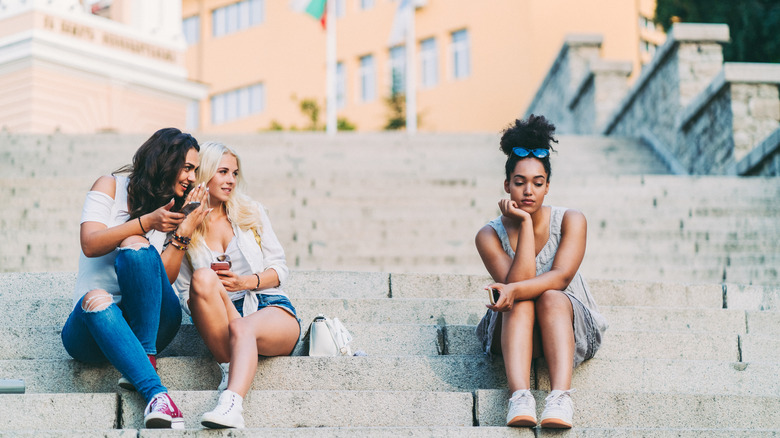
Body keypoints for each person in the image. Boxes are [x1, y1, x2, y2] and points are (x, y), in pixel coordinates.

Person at [61, 128, 209, 429]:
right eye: (188, 168)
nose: (192, 178)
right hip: (95, 327)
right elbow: (90, 243)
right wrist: (145, 223)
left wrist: (183, 232)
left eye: (195, 170)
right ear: (164, 160)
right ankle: (157, 394)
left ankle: (145, 356)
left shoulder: (174, 209)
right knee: (98, 294)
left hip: (153, 324)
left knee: (137, 248)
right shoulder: (110, 186)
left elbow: (161, 280)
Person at [475, 115, 608, 429]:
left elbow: (561, 277)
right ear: (507, 185)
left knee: (549, 295)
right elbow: (518, 286)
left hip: (567, 326)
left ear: (548, 186)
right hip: (513, 332)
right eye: (519, 183)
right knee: (519, 300)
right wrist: (523, 224)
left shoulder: (571, 220)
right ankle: (519, 397)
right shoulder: (488, 235)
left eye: (537, 182)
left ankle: (560, 398)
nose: (528, 191)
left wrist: (512, 290)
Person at [174, 141, 300, 429]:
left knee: (242, 327)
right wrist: (214, 295)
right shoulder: (186, 225)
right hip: (225, 315)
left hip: (269, 307)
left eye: (234, 173)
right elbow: (183, 293)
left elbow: (279, 269)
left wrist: (245, 281)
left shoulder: (250, 212)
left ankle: (232, 402)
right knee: (203, 278)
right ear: (204, 173)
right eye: (222, 172)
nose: (231, 180)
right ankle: (233, 365)